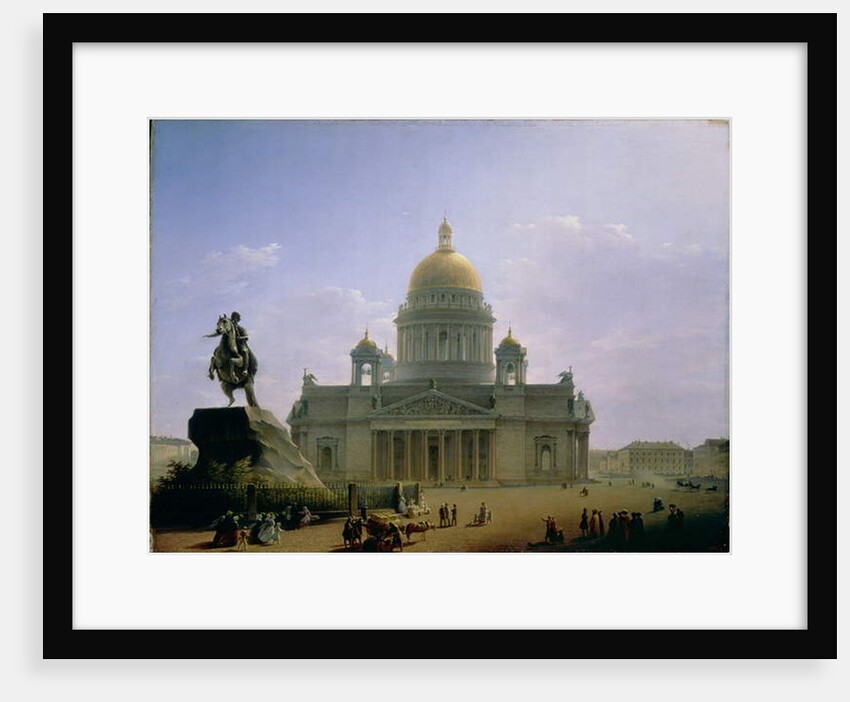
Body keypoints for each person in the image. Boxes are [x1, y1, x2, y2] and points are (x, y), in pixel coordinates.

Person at [230, 311, 250, 381]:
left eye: (235, 318)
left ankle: (245, 369)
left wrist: (240, 338)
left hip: (240, 344)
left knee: (244, 351)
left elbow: (246, 337)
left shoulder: (241, 329)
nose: (233, 319)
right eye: (232, 318)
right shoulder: (230, 328)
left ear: (237, 319)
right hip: (231, 344)